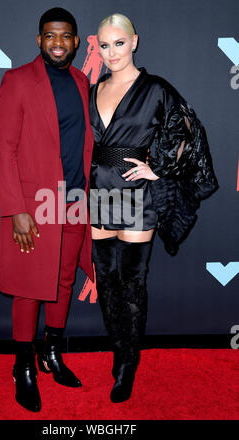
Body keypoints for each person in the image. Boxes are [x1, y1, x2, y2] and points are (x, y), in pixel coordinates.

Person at [89, 13, 219, 403]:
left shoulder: (156, 89)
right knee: (107, 280)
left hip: (133, 193)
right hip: (98, 190)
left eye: (119, 43)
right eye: (104, 45)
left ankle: (128, 363)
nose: (112, 53)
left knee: (132, 280)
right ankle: (119, 346)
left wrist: (158, 167)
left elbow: (189, 132)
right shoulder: (94, 87)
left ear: (134, 42)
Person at [0, 7, 94, 412]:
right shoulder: (17, 80)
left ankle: (51, 354)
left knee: (63, 280)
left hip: (73, 202)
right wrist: (16, 209)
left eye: (65, 36)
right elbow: (4, 148)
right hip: (33, 206)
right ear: (39, 40)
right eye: (50, 36)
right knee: (28, 288)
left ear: (75, 41)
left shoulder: (81, 80)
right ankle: (23, 367)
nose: (58, 43)